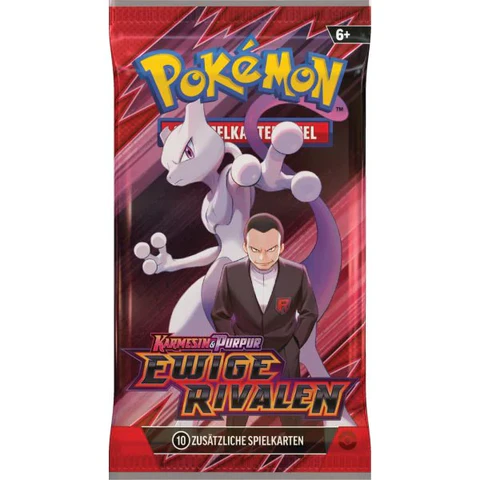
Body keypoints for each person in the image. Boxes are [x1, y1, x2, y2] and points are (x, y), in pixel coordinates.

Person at [212, 213, 318, 426]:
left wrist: (295, 343)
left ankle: (296, 443)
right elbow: (219, 313)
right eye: (255, 249)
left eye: (270, 249)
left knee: (290, 413)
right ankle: (232, 444)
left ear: (281, 247)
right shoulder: (231, 273)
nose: (262, 257)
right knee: (237, 413)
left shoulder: (297, 274)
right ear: (245, 247)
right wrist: (235, 345)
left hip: (284, 351)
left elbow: (309, 312)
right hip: (243, 353)